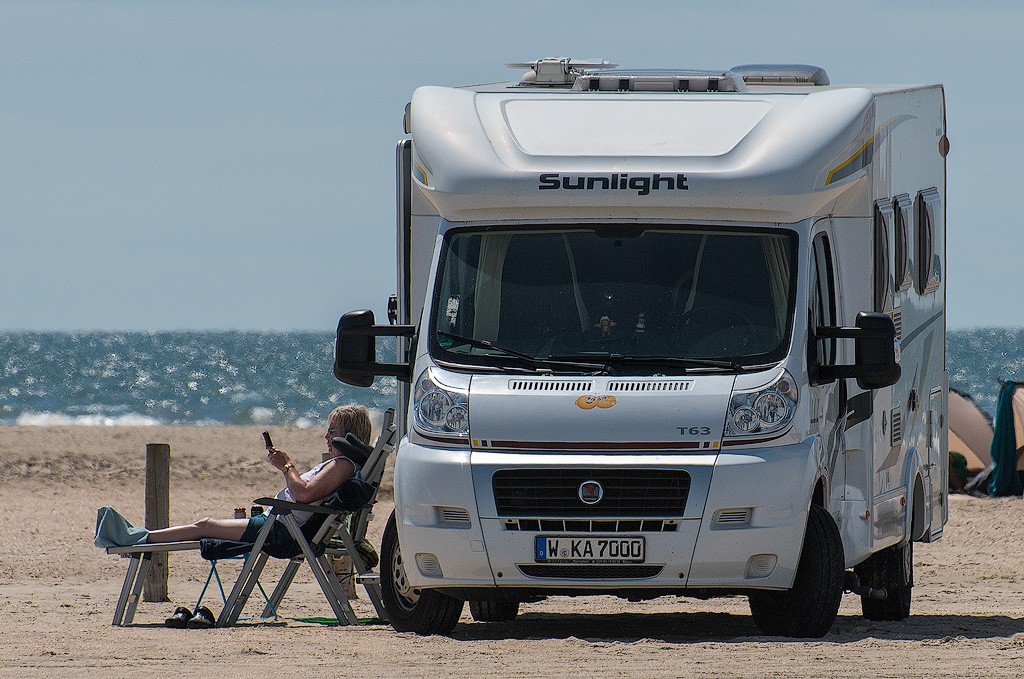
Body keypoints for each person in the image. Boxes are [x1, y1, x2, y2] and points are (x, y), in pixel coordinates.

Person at [145, 404, 372, 545]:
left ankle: (144, 538)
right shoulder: (344, 465)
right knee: (208, 530)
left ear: (347, 436)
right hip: (281, 523)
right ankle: (146, 536)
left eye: (331, 432)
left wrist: (287, 465)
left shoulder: (343, 465)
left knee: (205, 526)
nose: (326, 437)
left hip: (283, 530)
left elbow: (304, 494)